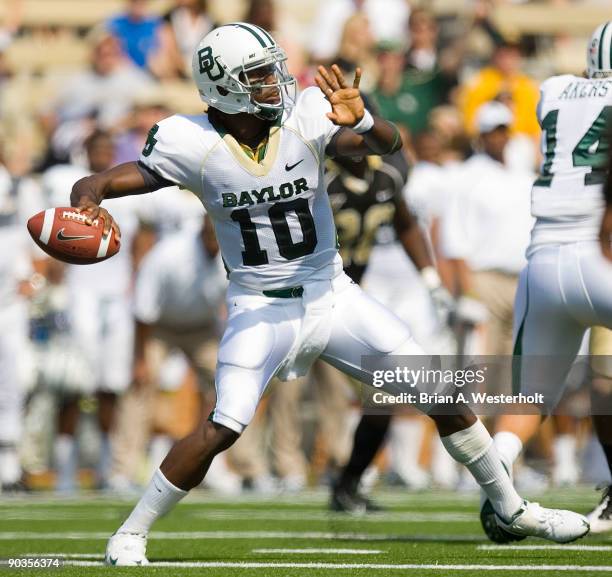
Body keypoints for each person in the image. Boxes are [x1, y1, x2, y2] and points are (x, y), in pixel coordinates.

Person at [65, 23, 587, 565]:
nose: (276, 82)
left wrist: (361, 117)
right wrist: (89, 195)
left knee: (442, 393)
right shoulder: (187, 140)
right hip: (259, 306)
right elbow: (116, 178)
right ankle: (130, 532)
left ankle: (510, 507)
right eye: (259, 75)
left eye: (272, 69)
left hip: (330, 293)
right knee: (223, 425)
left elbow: (387, 144)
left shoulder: (306, 116)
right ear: (223, 86)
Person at [481, 21, 612, 543]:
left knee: (530, 397)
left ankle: (498, 493)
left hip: (544, 261)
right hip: (602, 254)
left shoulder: (553, 91)